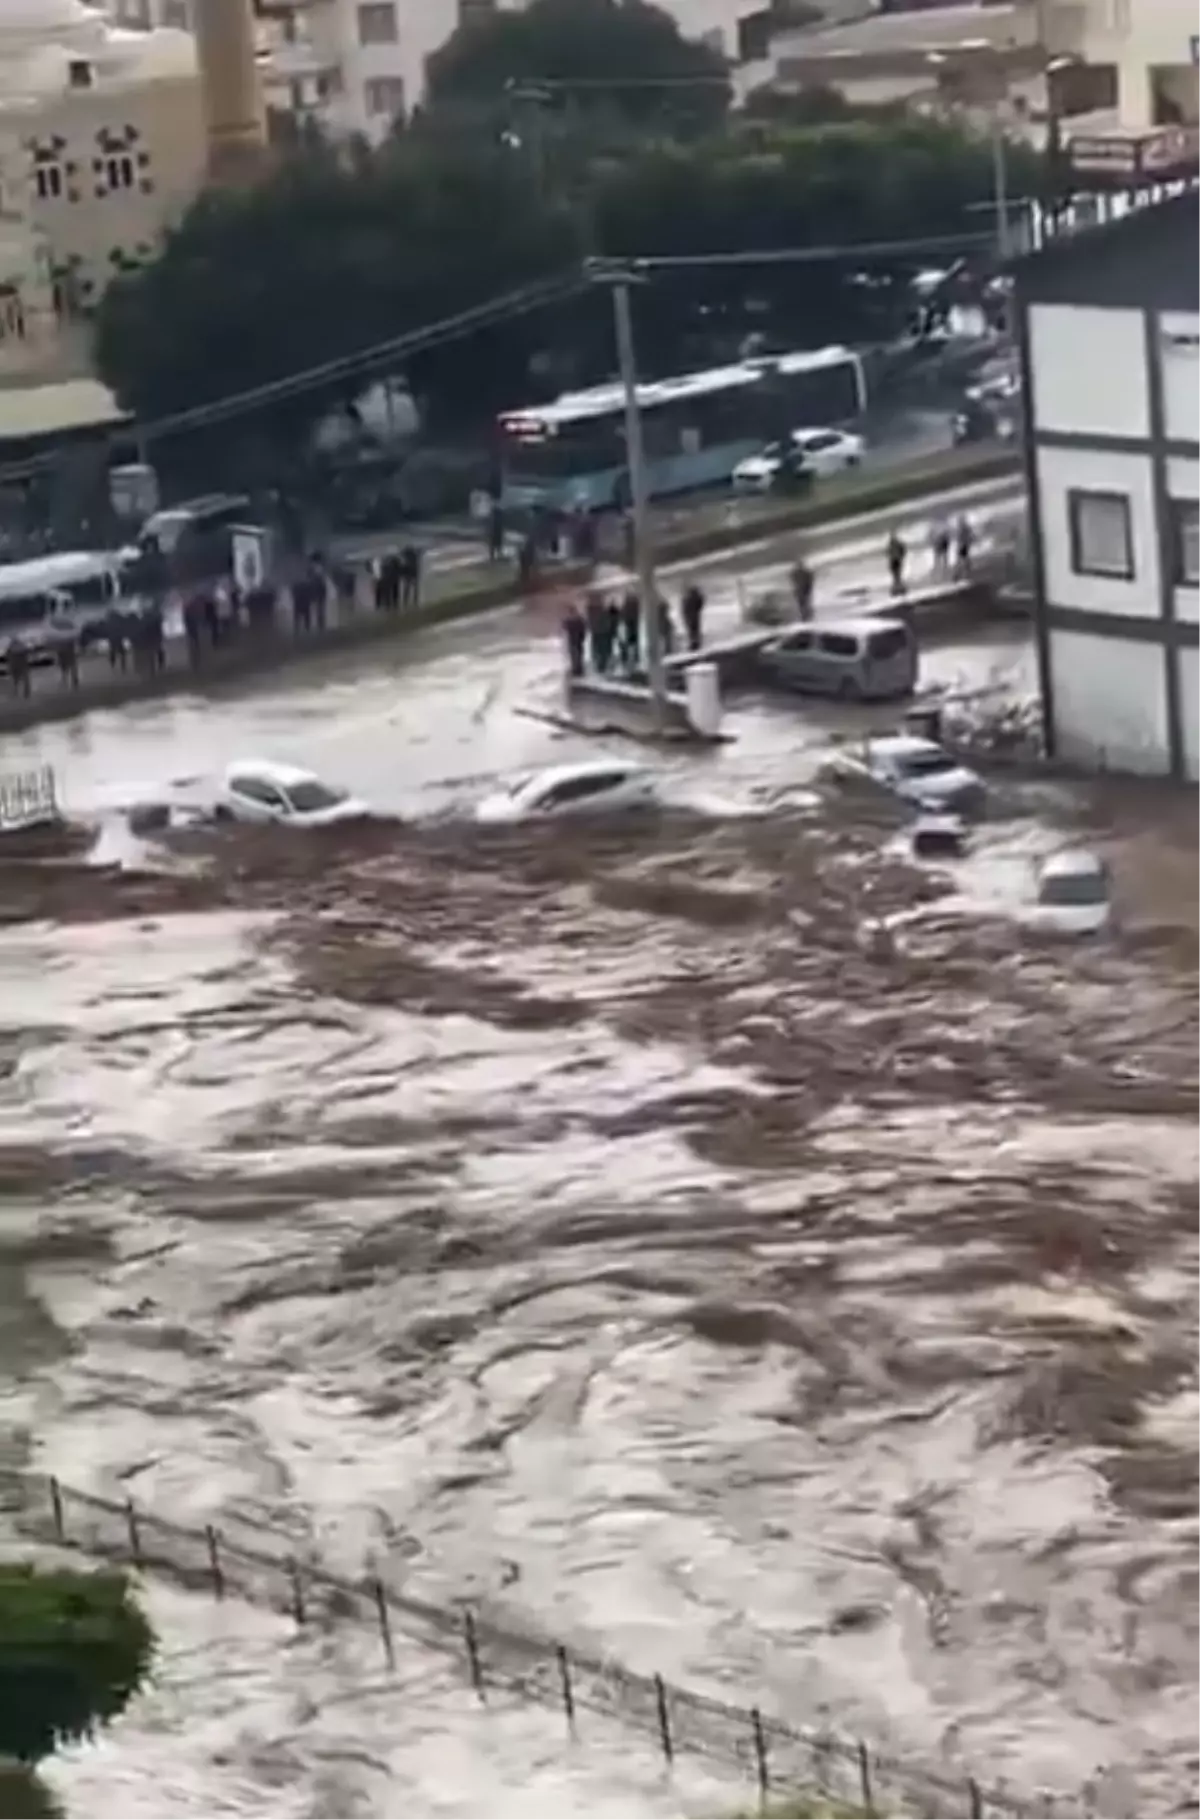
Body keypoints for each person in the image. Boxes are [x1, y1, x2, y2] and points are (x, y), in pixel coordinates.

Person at [563, 599, 586, 679]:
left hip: (574, 640)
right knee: (577, 655)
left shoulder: (570, 620)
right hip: (577, 640)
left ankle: (576, 669)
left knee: (575, 655)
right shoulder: (579, 619)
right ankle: (578, 669)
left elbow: (565, 627)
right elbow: (583, 629)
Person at [681, 582, 705, 654]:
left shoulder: (688, 598)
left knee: (692, 631)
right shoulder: (695, 597)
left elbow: (684, 608)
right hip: (694, 616)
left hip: (691, 616)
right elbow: (700, 604)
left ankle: (694, 644)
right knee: (694, 630)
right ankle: (695, 643)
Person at [620, 588, 640, 670]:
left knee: (627, 643)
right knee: (633, 643)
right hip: (633, 626)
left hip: (629, 626)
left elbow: (623, 616)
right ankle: (635, 658)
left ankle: (627, 659)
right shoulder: (635, 604)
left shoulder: (627, 605)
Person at [886, 530, 907, 597]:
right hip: (895, 560)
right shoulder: (895, 543)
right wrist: (902, 556)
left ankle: (898, 588)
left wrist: (901, 556)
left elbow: (888, 553)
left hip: (895, 560)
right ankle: (899, 588)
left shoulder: (892, 544)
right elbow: (903, 550)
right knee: (897, 575)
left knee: (896, 575)